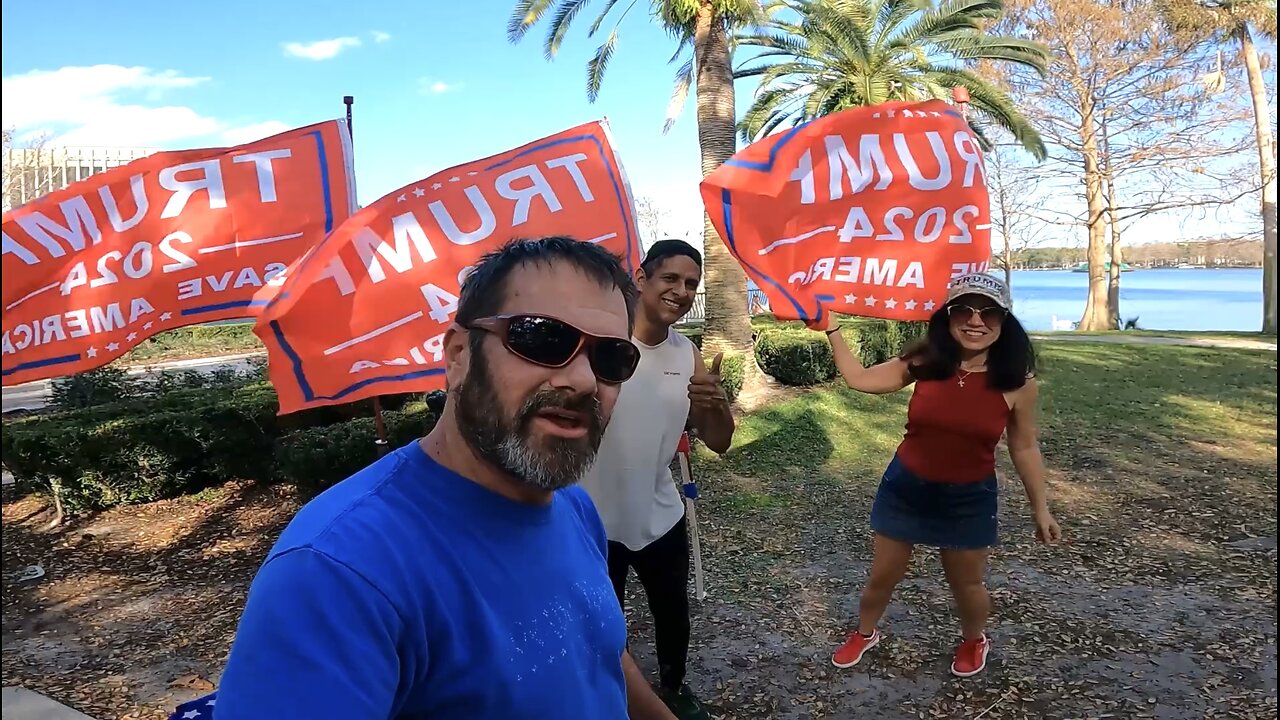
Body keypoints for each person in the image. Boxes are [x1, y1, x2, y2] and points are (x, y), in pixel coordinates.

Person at [212, 237, 679, 719]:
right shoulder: (338, 571)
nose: (583, 380)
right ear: (458, 354)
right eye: (543, 339)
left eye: (611, 360)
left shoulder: (573, 506)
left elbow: (598, 654)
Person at [812, 272, 1062, 678]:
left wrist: (1041, 509)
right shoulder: (925, 362)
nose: (975, 321)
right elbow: (859, 380)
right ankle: (865, 632)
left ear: (1005, 320)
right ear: (947, 317)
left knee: (967, 586)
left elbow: (1024, 445)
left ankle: (974, 639)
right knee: (881, 577)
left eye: (989, 313)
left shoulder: (1017, 383)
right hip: (906, 487)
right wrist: (833, 329)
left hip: (969, 498)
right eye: (963, 310)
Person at [579, 239, 736, 720]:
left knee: (672, 613)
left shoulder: (686, 353)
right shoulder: (599, 348)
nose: (682, 291)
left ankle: (674, 687)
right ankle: (608, 695)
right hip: (591, 518)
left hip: (659, 512)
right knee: (602, 620)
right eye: (670, 278)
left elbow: (719, 441)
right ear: (642, 279)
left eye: (691, 284)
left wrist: (714, 405)